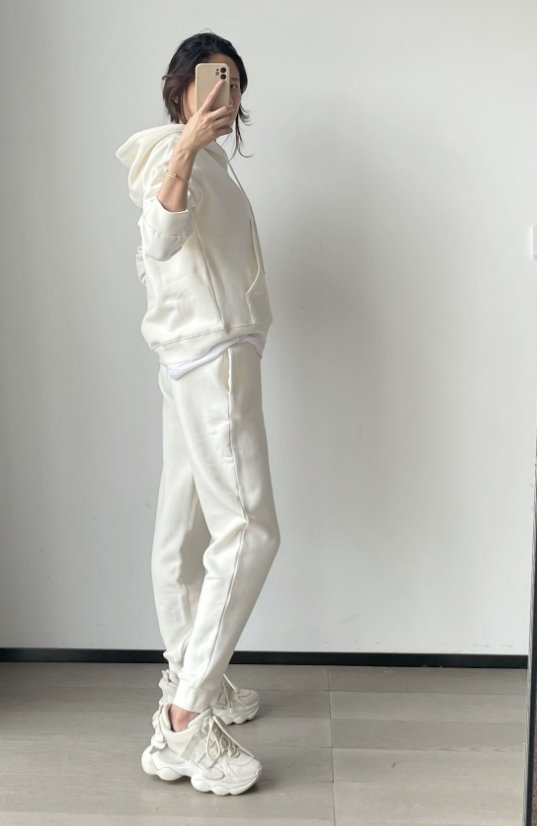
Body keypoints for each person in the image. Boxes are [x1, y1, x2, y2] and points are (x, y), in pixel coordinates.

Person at [115, 32, 281, 796]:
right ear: (180, 87)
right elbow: (161, 234)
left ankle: (190, 678)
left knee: (180, 538)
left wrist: (192, 148)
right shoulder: (173, 154)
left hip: (189, 358)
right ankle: (186, 720)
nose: (226, 96)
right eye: (214, 80)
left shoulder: (207, 162)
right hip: (213, 357)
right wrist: (185, 144)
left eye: (236, 84)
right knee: (248, 530)